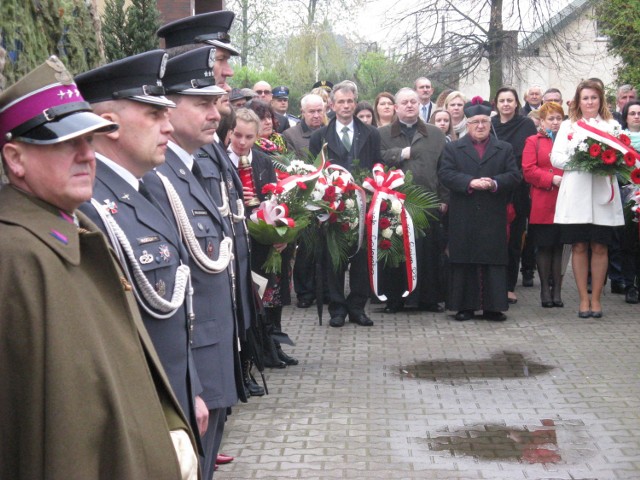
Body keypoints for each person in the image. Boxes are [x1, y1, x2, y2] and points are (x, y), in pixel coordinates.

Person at [0, 56, 197, 480]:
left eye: (89, 142)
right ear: (15, 159)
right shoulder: (16, 256)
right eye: (65, 143)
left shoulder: (75, 230)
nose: (86, 156)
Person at [75, 50, 204, 439]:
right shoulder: (90, 210)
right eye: (154, 114)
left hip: (173, 399)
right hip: (141, 417)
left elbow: (179, 313)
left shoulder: (145, 188)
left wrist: (192, 388)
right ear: (108, 125)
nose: (168, 127)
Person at [438, 98, 521, 321]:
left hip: (493, 213)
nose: (481, 126)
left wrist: (494, 182)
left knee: (492, 259)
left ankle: (493, 307)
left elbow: (514, 175)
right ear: (467, 123)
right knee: (464, 258)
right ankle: (464, 306)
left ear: (490, 122)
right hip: (464, 212)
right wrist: (469, 182)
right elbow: (445, 174)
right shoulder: (453, 148)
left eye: (484, 121)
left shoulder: (504, 148)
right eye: (475, 122)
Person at [228, 108, 298, 367]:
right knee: (249, 300)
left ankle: (272, 345)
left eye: (249, 137)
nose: (242, 143)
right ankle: (253, 352)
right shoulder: (222, 162)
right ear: (229, 133)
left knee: (272, 296)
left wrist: (281, 232)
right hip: (237, 244)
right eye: (238, 136)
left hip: (263, 241)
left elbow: (273, 200)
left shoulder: (263, 161)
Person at [309, 80, 382, 327]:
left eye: (350, 101)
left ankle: (357, 308)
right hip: (334, 206)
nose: (346, 106)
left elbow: (378, 166)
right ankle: (337, 309)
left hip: (363, 206)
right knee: (334, 259)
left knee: (361, 260)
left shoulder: (371, 133)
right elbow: (315, 171)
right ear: (332, 105)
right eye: (341, 101)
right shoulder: (320, 136)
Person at [551, 79, 625, 318]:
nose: (590, 102)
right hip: (577, 193)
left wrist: (606, 161)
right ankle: (583, 299)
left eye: (594, 97)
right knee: (580, 246)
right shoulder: (568, 126)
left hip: (603, 193)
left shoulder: (613, 126)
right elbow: (556, 159)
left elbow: (623, 158)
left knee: (600, 246)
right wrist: (582, 158)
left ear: (601, 100)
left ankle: (597, 299)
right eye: (585, 98)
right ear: (578, 101)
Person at [379, 87, 448, 313]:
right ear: (396, 107)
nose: (410, 106)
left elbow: (444, 169)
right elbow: (377, 160)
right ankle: (395, 299)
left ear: (420, 105)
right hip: (394, 202)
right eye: (404, 103)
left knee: (428, 252)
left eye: (413, 102)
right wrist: (398, 154)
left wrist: (443, 198)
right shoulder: (382, 133)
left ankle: (429, 298)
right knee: (396, 251)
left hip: (428, 201)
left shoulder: (435, 133)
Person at [491, 87, 538, 302]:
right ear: (496, 104)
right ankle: (492, 285)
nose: (506, 104)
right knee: (495, 239)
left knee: (514, 240)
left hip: (517, 188)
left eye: (510, 100)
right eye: (502, 100)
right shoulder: (489, 125)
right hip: (493, 188)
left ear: (517, 103)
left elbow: (526, 155)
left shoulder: (526, 124)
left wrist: (513, 177)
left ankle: (509, 286)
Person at [284, 94, 330, 309]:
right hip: (304, 196)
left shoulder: (332, 131)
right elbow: (291, 166)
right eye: (311, 111)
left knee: (328, 245)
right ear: (302, 112)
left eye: (319, 110)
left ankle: (327, 289)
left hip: (330, 195)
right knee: (306, 247)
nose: (316, 115)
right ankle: (305, 292)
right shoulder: (291, 135)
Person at [522, 101, 565, 308]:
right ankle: (544, 290)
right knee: (545, 246)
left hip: (565, 201)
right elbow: (528, 170)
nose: (555, 123)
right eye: (551, 119)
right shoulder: (533, 141)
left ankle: (557, 289)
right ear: (542, 121)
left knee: (559, 247)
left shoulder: (568, 140)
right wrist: (552, 179)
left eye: (559, 118)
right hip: (542, 200)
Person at [618, 100, 640, 304]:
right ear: (625, 117)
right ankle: (630, 285)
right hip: (628, 196)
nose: (636, 116)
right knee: (629, 243)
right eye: (632, 113)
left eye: (639, 113)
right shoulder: (619, 141)